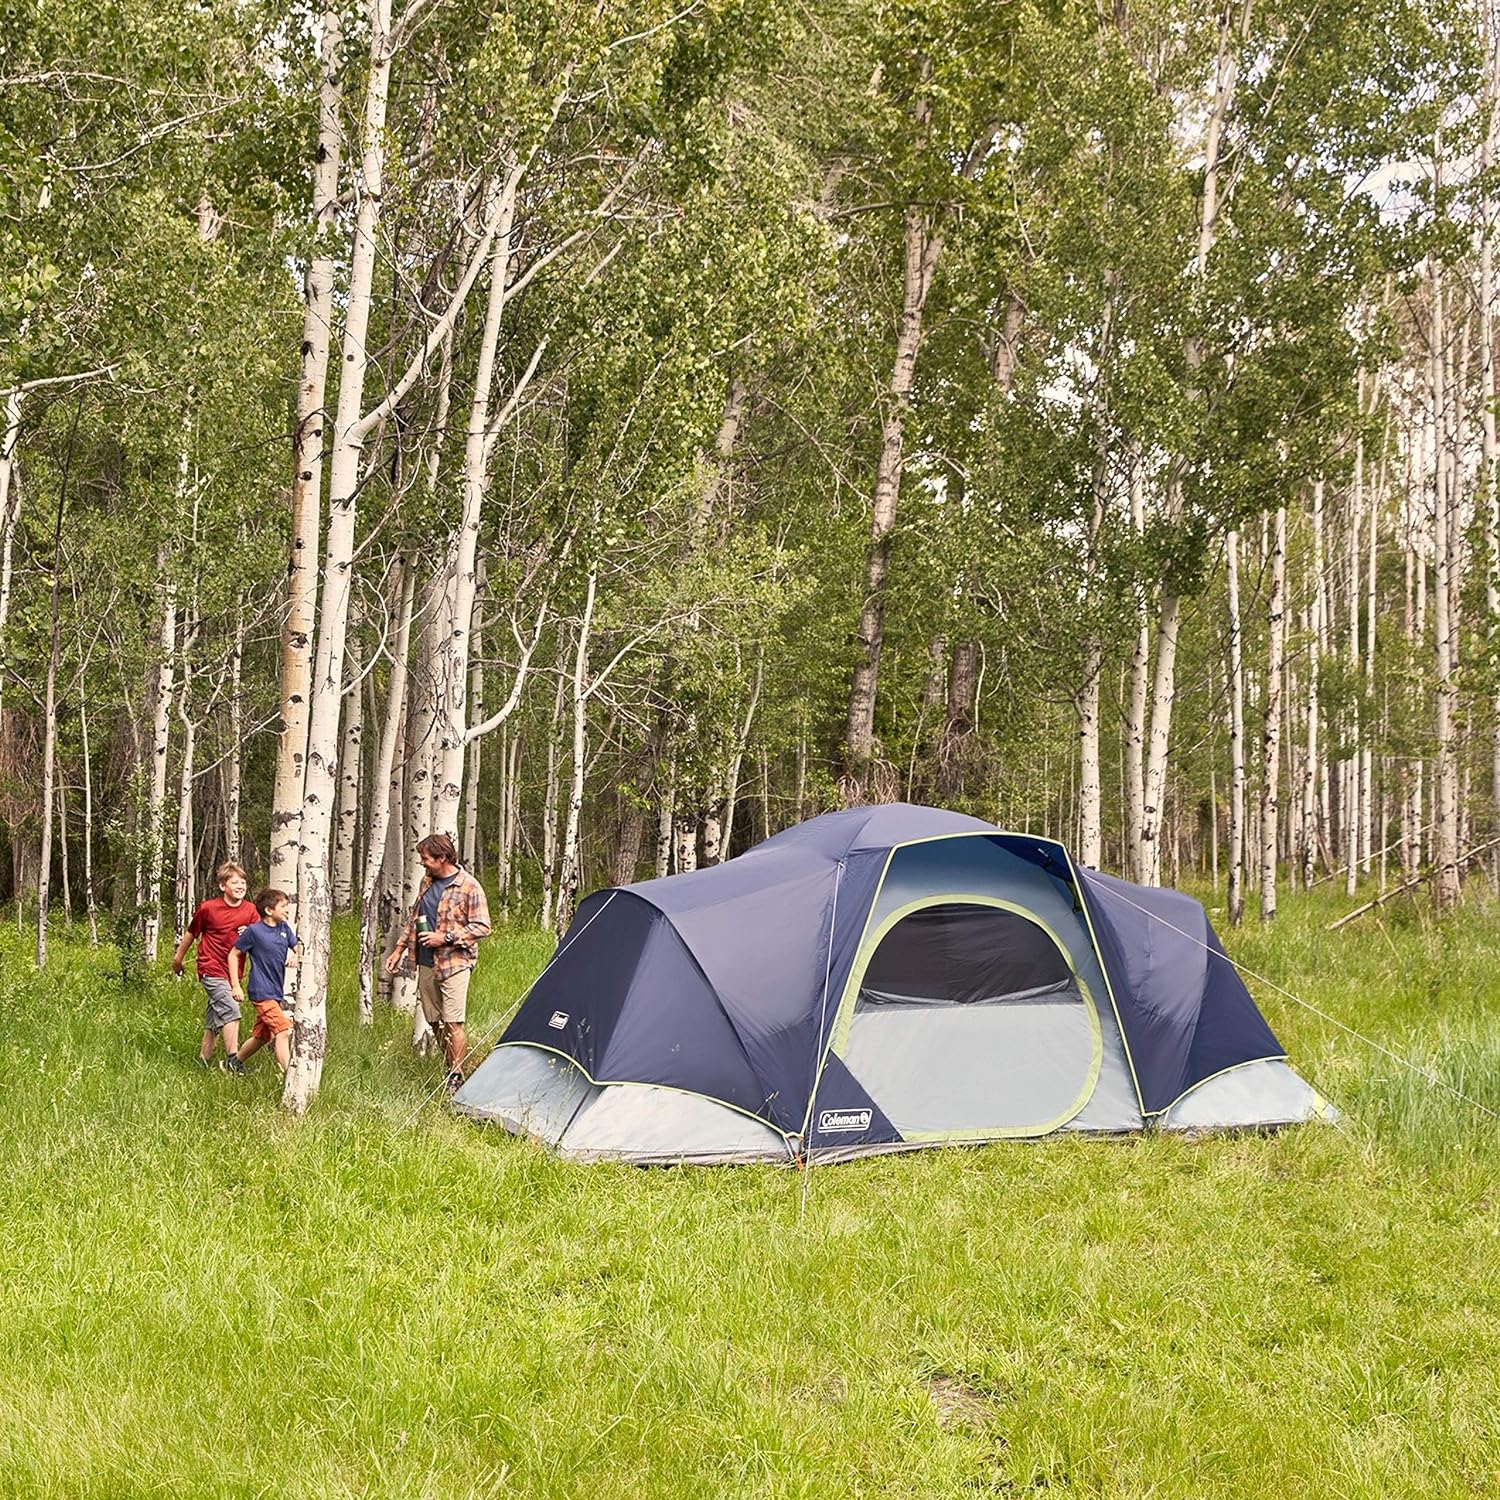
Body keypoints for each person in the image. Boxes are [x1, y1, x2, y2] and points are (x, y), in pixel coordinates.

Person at [383, 832, 492, 1093]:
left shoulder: (469, 886)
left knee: (453, 1021)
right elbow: (415, 918)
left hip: (455, 963)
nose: (422, 862)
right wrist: (398, 950)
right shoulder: (427, 882)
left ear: (442, 857)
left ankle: (456, 1077)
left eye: (426, 858)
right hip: (425, 961)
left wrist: (445, 937)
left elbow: (483, 926)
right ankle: (450, 1064)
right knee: (434, 1020)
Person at [171, 861, 253, 1069]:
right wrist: (178, 960)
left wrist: (250, 933)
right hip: (211, 968)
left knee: (214, 1021)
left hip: (233, 973)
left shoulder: (250, 911)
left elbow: (261, 938)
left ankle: (203, 1061)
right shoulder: (208, 908)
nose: (240, 886)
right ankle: (233, 1062)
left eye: (243, 882)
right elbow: (191, 934)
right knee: (231, 1009)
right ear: (222, 886)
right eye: (235, 882)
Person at [222, 888, 299, 1076]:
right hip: (261, 991)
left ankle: (232, 1064)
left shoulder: (284, 929)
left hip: (276, 991)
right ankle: (290, 1077)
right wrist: (235, 986)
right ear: (269, 910)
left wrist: (296, 955)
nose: (287, 910)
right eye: (283, 906)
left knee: (262, 1036)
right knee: (283, 1030)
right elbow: (233, 954)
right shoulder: (254, 931)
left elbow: (298, 947)